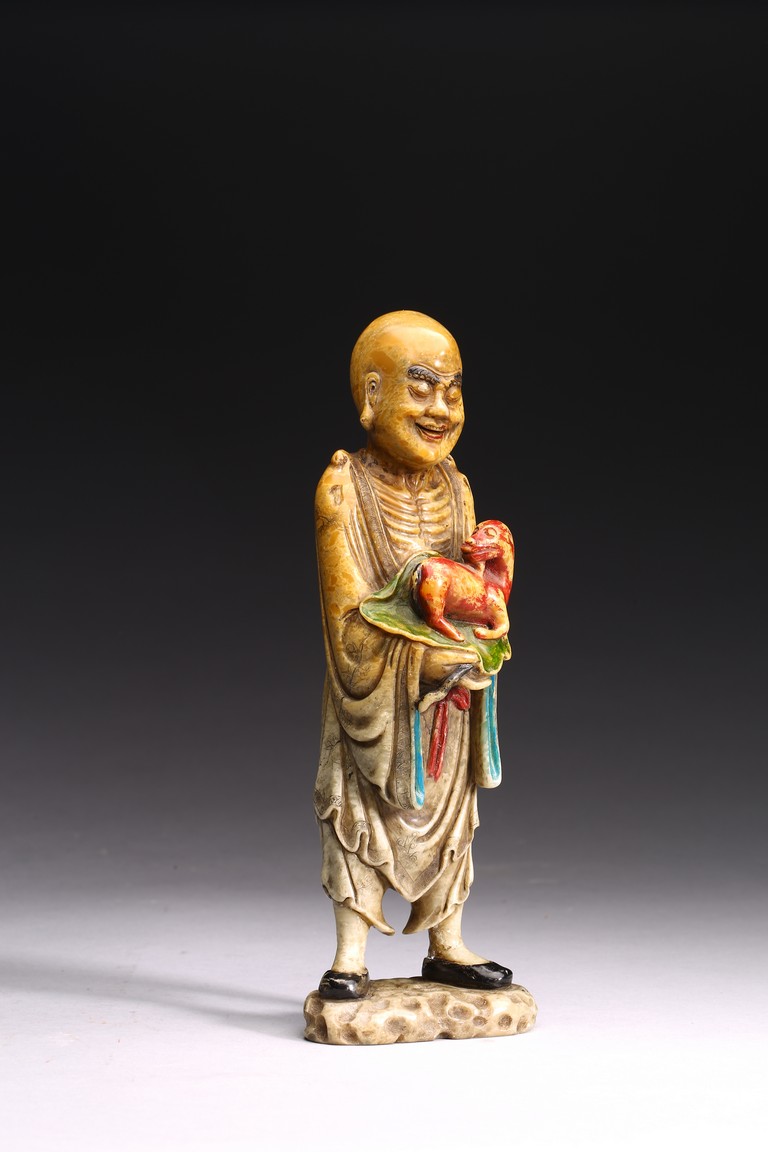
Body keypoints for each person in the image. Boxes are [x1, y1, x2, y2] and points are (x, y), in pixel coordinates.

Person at [313, 309, 513, 1000]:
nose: (441, 410)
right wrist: (413, 663)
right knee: (356, 809)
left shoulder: (458, 489)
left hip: (447, 694)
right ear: (372, 396)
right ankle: (349, 956)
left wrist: (479, 644)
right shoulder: (343, 488)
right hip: (377, 691)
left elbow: (474, 591)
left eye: (453, 391)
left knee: (453, 810)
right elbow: (345, 623)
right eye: (421, 388)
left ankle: (447, 942)